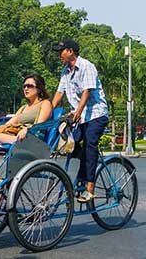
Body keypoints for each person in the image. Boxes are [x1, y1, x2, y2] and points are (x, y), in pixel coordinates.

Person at [51, 39, 108, 203]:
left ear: (70, 51)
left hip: (96, 114)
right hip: (80, 117)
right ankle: (86, 166)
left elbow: (87, 91)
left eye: (61, 51)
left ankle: (90, 187)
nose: (59, 54)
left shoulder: (86, 66)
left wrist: (79, 111)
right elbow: (59, 93)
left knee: (90, 144)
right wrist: (49, 111)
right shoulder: (65, 71)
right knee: (69, 145)